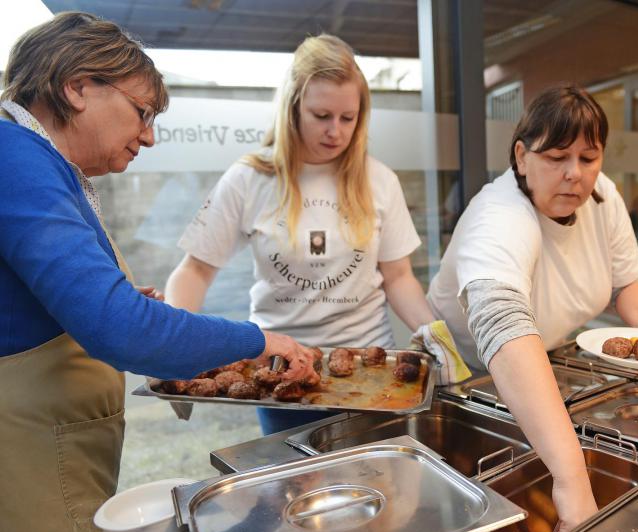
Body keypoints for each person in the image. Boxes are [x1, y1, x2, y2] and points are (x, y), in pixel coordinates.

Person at [0, 12, 315, 532]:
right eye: (142, 113)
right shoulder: (17, 159)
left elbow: (66, 306)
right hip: (28, 451)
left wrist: (120, 305)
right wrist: (259, 341)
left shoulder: (36, 162)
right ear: (77, 86)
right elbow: (118, 329)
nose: (148, 136)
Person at [427, 84, 638, 532]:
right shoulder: (497, 215)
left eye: (588, 158)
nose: (574, 174)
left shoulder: (602, 197)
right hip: (463, 385)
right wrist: (572, 480)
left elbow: (628, 280)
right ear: (521, 156)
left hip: (542, 366)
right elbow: (502, 322)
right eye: (556, 158)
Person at [165, 34, 444, 435]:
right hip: (280, 371)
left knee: (381, 487)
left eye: (348, 118)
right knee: (294, 492)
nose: (336, 131)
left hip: (369, 373)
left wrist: (435, 337)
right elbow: (194, 272)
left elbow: (399, 277)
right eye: (321, 115)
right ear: (293, 108)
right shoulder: (250, 178)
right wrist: (176, 352)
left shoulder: (379, 180)